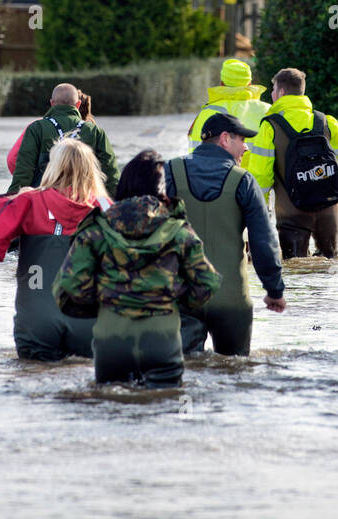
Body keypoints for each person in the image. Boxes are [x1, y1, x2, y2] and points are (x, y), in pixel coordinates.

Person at [52, 151, 220, 387]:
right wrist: (174, 301)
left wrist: (102, 306)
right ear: (162, 191)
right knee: (165, 409)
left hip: (112, 340)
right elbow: (207, 284)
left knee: (111, 410)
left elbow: (68, 286)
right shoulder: (179, 230)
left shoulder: (96, 228)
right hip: (162, 340)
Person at [0, 138, 110, 362]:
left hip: (37, 318)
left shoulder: (30, 201)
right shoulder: (106, 207)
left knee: (33, 383)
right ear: (91, 169)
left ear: (54, 167)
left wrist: (15, 201)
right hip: (90, 319)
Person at [165, 111, 286, 358]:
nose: (246, 148)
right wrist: (274, 291)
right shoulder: (244, 181)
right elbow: (263, 241)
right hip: (232, 299)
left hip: (184, 297)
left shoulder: (171, 171)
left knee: (184, 373)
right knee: (235, 375)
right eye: (242, 140)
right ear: (224, 139)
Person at [241, 67, 338, 260]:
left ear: (282, 92)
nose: (272, 94)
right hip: (329, 211)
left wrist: (259, 212)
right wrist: (331, 191)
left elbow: (261, 177)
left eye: (274, 90)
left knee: (295, 268)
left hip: (292, 213)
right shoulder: (327, 122)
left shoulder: (270, 126)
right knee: (329, 267)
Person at [8, 83, 118, 197]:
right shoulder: (95, 131)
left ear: (52, 103)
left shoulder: (36, 129)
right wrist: (112, 206)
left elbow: (23, 173)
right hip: (84, 201)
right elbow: (111, 174)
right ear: (78, 104)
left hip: (44, 202)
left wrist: (11, 200)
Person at [187, 58, 271, 148]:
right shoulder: (269, 110)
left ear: (222, 83)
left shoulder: (208, 112)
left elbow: (196, 151)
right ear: (249, 83)